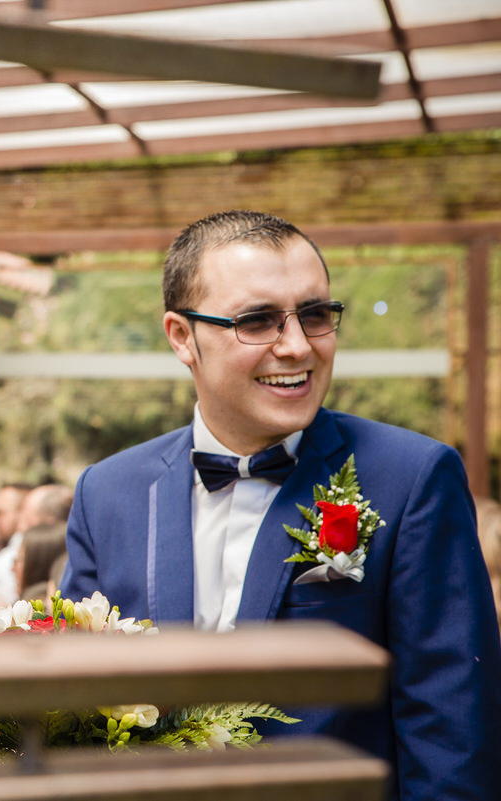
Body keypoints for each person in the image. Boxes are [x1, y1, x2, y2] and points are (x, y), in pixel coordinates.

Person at [62, 209, 501, 801]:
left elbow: (451, 729)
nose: (297, 347)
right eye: (258, 321)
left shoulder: (413, 477)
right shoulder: (106, 492)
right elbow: (76, 706)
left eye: (315, 315)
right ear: (181, 336)